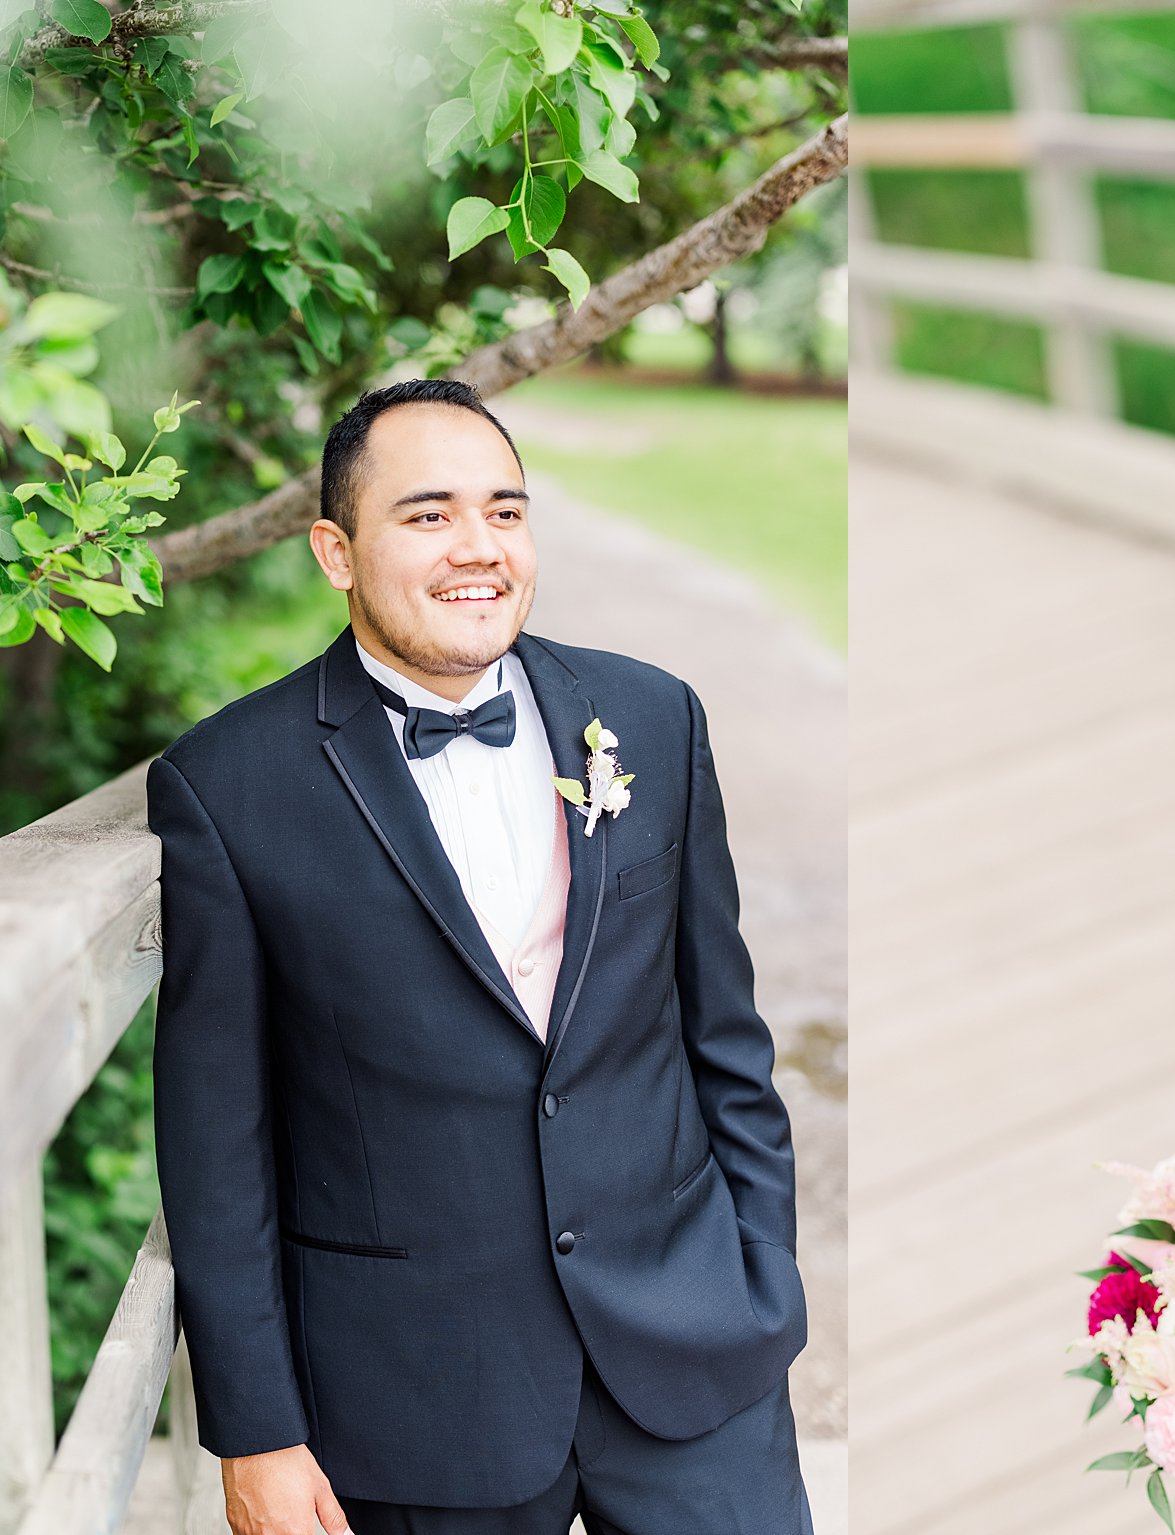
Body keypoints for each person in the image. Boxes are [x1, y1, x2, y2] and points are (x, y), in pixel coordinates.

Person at [146, 377, 812, 1535]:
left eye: (505, 511)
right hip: (417, 1394)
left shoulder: (652, 717)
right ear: (335, 550)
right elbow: (217, 1142)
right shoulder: (227, 788)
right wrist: (254, 1426)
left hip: (693, 1350)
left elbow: (724, 1035)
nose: (478, 548)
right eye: (427, 514)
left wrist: (762, 1274)